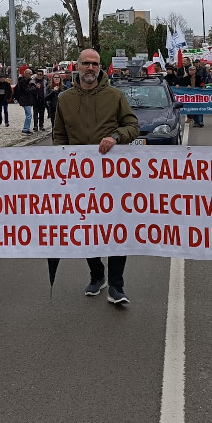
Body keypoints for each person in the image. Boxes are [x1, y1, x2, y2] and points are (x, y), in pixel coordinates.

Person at [53, 48, 140, 305]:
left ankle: (116, 285)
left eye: (95, 64)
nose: (90, 68)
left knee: (115, 230)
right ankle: (97, 274)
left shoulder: (115, 96)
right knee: (85, 228)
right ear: (77, 67)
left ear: (100, 67)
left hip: (112, 178)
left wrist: (115, 137)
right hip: (80, 178)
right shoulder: (65, 99)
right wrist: (62, 162)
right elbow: (59, 136)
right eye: (86, 64)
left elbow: (132, 125)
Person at [15, 68, 35, 135]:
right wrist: (33, 88)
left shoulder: (28, 81)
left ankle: (27, 128)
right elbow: (26, 91)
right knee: (29, 115)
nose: (31, 75)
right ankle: (25, 129)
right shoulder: (23, 81)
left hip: (27, 100)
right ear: (26, 74)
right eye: (30, 74)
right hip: (25, 100)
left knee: (28, 115)